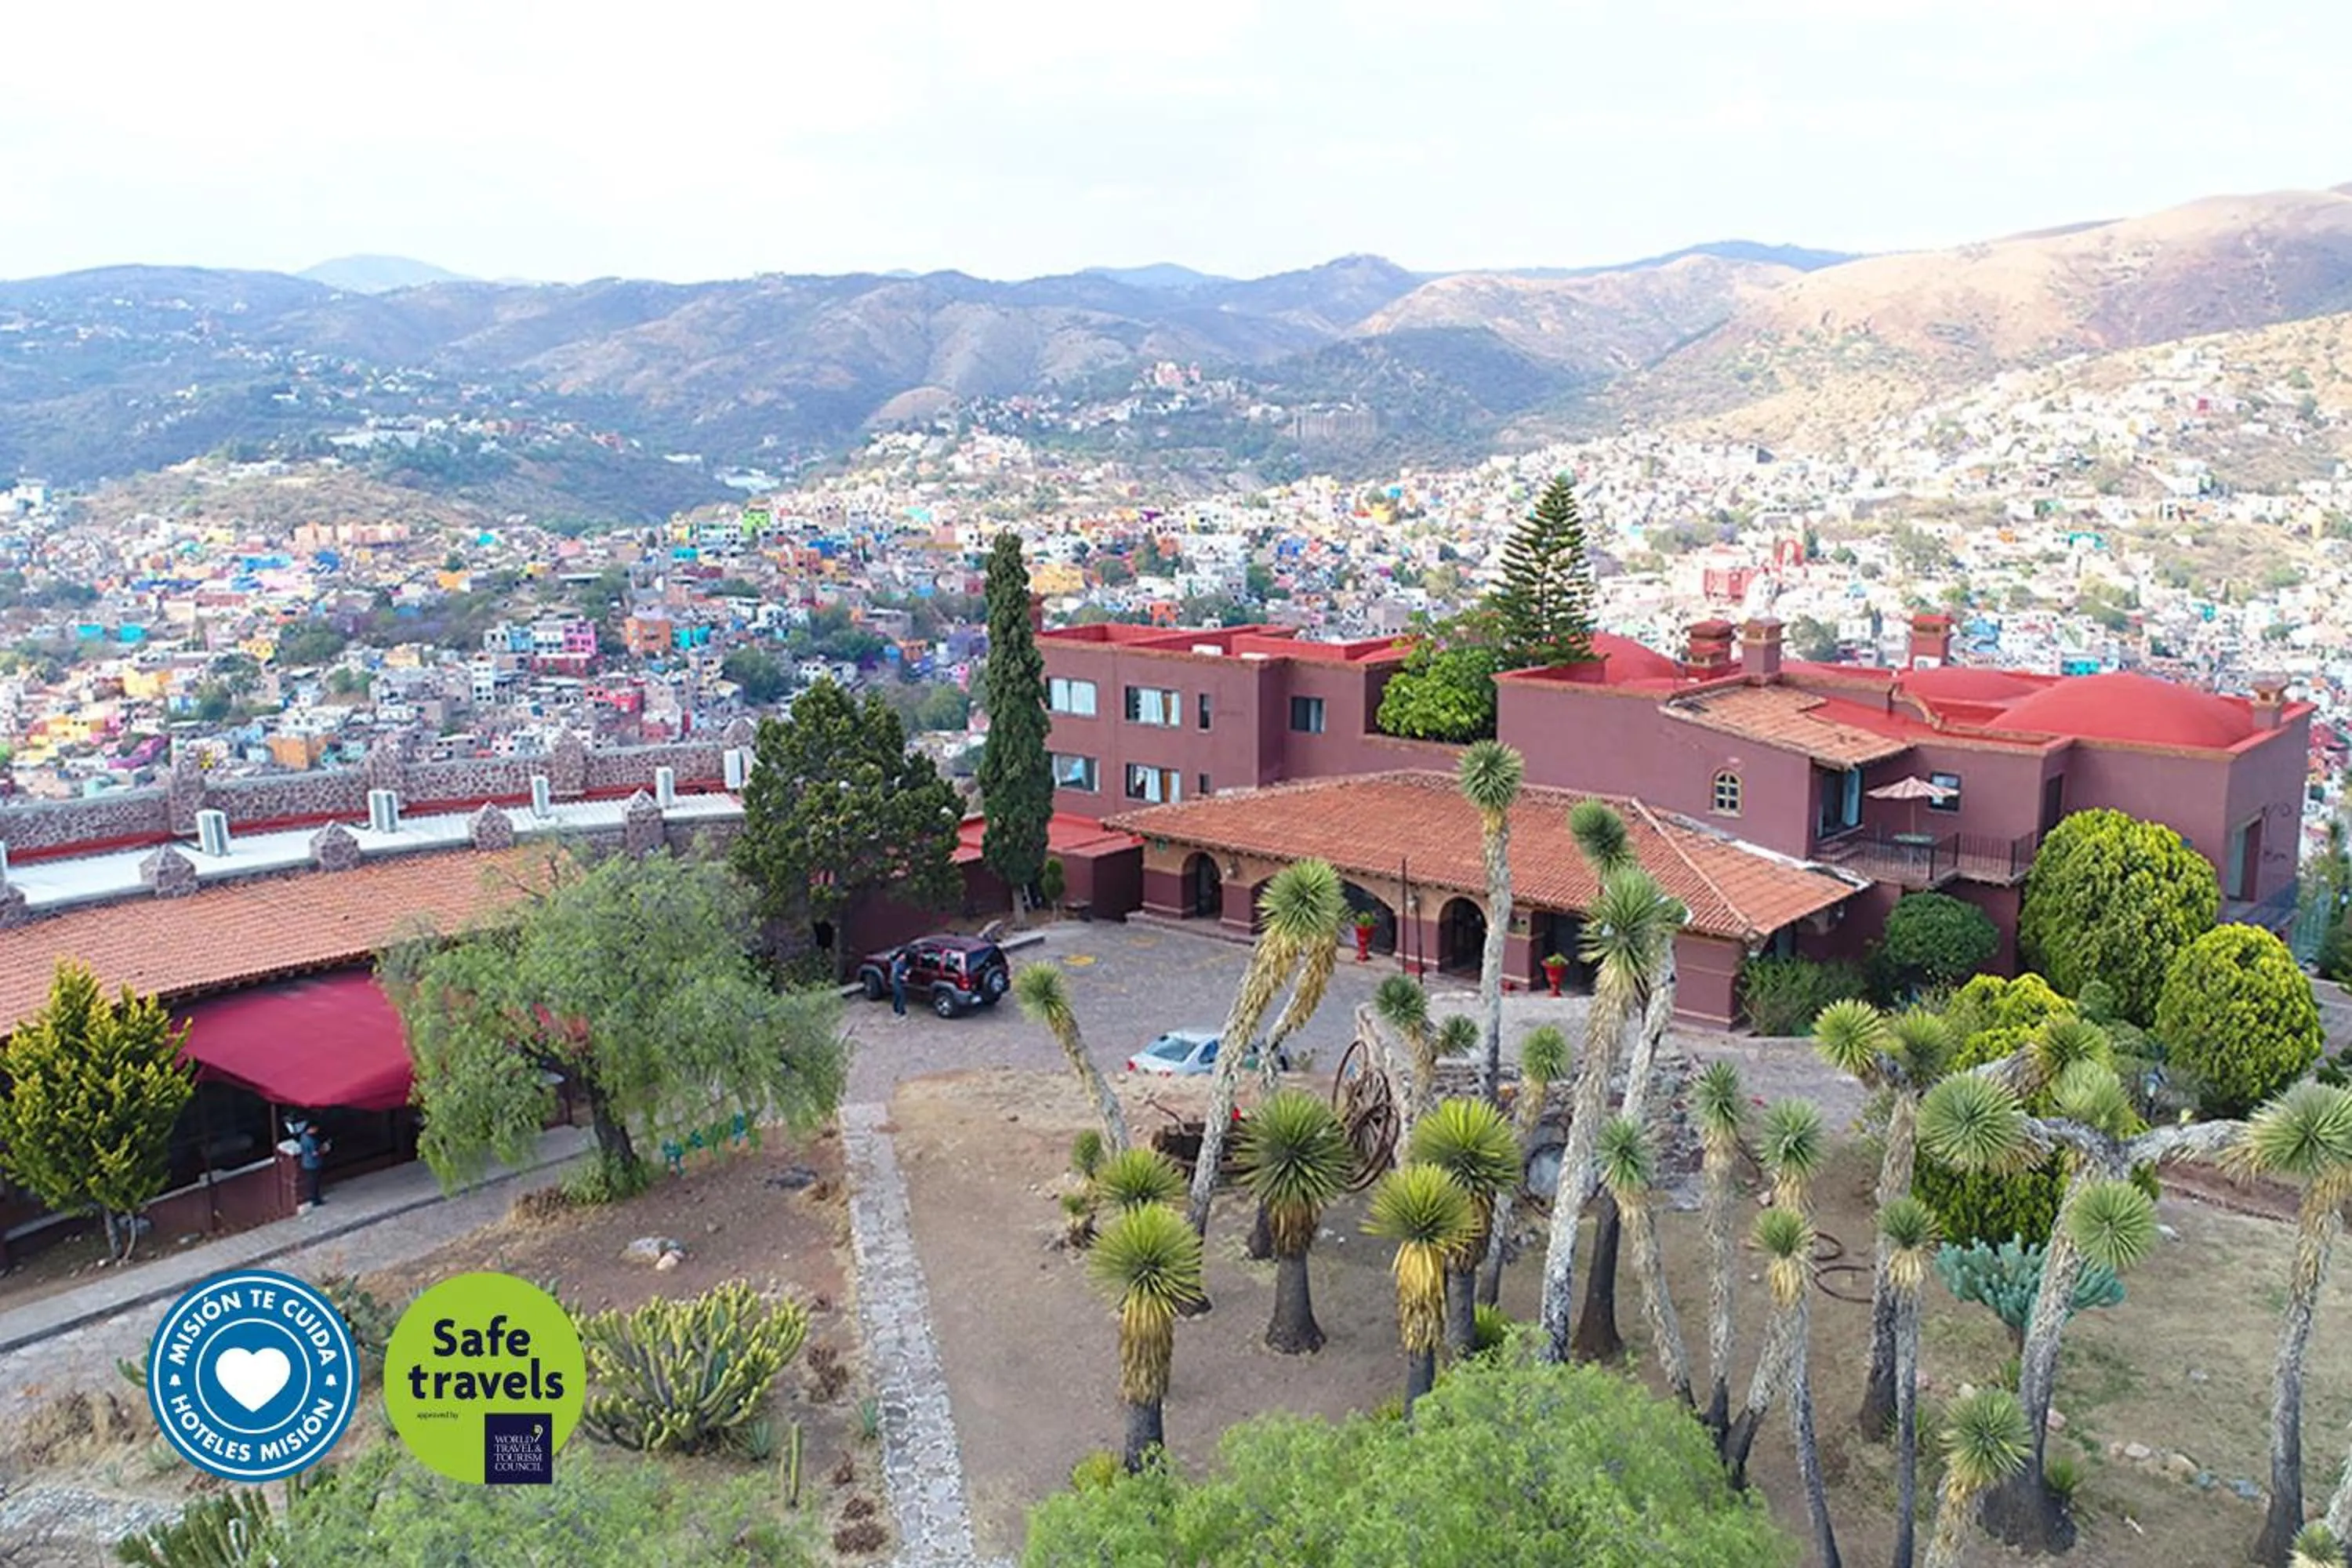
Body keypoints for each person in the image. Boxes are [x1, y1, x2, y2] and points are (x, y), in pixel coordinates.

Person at [296, 1120, 330, 1207]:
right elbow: (315, 1153)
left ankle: (314, 1198)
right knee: (314, 1182)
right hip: (313, 1164)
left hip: (306, 1163)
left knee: (311, 1181)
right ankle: (316, 1200)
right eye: (315, 1129)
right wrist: (324, 1149)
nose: (316, 1130)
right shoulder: (310, 1140)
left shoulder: (303, 1136)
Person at [889, 949, 911, 1017]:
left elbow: (907, 967)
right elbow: (894, 974)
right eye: (903, 956)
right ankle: (900, 1011)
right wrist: (902, 977)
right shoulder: (896, 964)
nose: (904, 957)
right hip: (896, 981)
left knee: (897, 996)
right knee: (901, 996)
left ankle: (896, 1010)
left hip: (900, 982)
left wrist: (908, 970)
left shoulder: (904, 963)